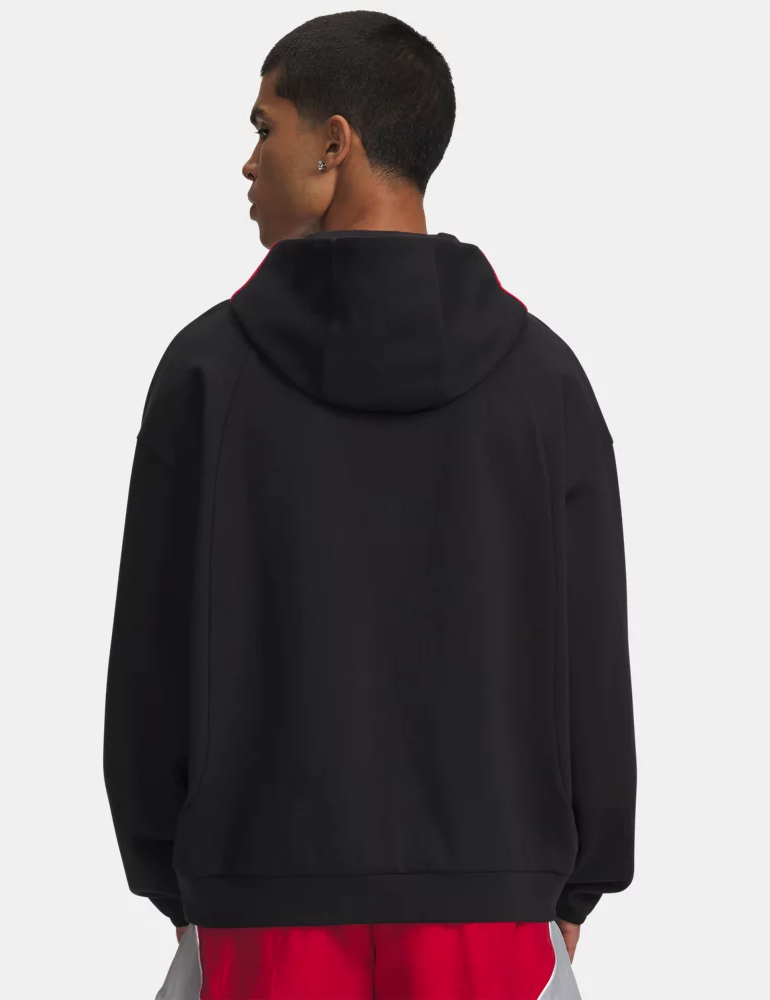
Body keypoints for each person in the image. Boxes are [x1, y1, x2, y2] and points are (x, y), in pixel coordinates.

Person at [103, 11, 637, 1000]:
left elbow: (151, 659)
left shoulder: (205, 374)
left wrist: (172, 873)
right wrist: (578, 875)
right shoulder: (542, 379)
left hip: (261, 913)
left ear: (334, 144)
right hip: (491, 917)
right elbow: (590, 653)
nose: (248, 162)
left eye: (266, 127)